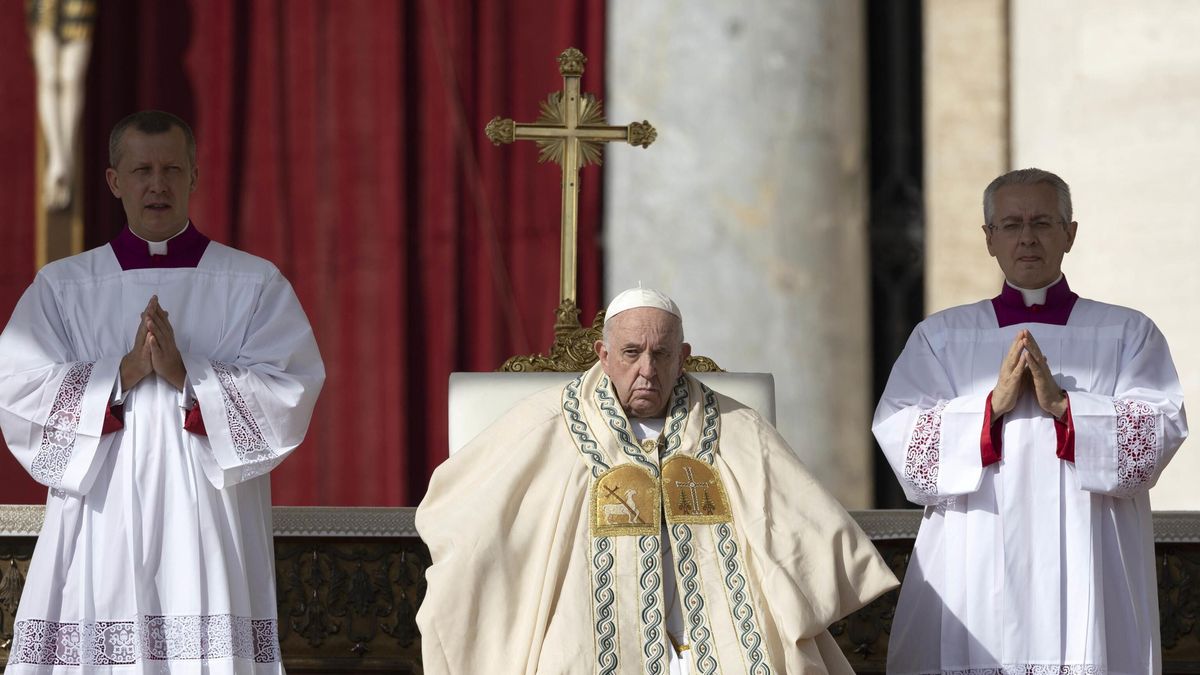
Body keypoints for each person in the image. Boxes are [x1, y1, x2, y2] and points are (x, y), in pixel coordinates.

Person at [418, 287, 897, 674]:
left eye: (661, 353)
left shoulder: (735, 426)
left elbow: (802, 531)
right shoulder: (548, 424)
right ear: (603, 355)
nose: (646, 370)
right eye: (631, 353)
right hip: (587, 633)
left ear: (683, 356)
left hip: (715, 641)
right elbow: (464, 514)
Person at [0, 110, 325, 673]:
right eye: (142, 169)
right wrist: (120, 374)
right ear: (114, 180)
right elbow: (17, 389)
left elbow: (289, 389)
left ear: (195, 176)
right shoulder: (64, 286)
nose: (158, 184)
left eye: (173, 169)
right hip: (102, 516)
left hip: (208, 516)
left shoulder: (252, 283)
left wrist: (187, 375)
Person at [874, 168, 1187, 674]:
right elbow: (902, 440)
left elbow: (1157, 432)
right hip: (977, 554)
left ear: (1070, 233)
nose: (1027, 237)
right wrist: (989, 408)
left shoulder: (1127, 332)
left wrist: (1065, 408)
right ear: (989, 238)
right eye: (1012, 224)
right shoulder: (942, 336)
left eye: (1042, 222)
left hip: (1093, 557)